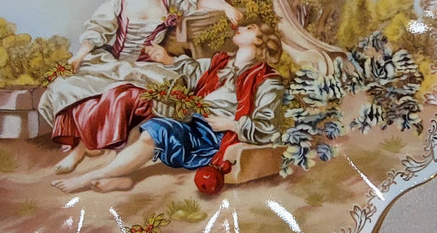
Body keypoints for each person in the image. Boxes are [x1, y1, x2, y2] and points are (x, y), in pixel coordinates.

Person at [38, 0, 243, 173]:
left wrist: (225, 7)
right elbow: (97, 29)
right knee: (66, 86)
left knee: (121, 95)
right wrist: (79, 57)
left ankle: (95, 152)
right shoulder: (120, 1)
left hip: (147, 69)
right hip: (115, 65)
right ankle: (82, 148)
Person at [51, 21, 284, 193]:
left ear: (259, 40)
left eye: (249, 28)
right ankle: (123, 178)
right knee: (139, 113)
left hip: (213, 132)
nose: (240, 28)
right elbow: (193, 71)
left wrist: (230, 124)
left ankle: (89, 177)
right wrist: (167, 59)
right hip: (193, 117)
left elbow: (268, 126)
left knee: (154, 132)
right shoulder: (221, 62)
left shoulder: (267, 80)